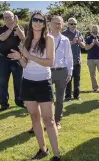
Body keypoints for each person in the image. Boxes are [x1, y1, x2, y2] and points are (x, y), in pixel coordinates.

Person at [7, 12, 61, 161]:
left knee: (49, 120)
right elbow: (25, 65)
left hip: (44, 83)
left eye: (40, 20)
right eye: (34, 20)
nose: (37, 23)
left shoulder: (48, 39)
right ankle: (43, 149)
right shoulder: (26, 41)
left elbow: (50, 62)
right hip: (28, 83)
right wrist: (20, 58)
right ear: (31, 22)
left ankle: (56, 154)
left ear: (44, 23)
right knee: (34, 117)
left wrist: (28, 56)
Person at [0, 11, 26, 110]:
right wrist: (12, 26)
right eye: (6, 17)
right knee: (2, 82)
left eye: (10, 17)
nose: (8, 19)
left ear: (14, 17)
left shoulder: (19, 27)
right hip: (4, 59)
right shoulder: (1, 29)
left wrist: (16, 26)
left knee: (19, 82)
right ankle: (4, 104)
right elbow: (2, 38)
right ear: (3, 19)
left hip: (17, 59)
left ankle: (20, 101)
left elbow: (23, 38)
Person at [48, 15, 73, 130]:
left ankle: (57, 120)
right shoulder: (45, 38)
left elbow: (69, 57)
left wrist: (70, 72)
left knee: (59, 99)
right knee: (47, 99)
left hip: (62, 71)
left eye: (59, 23)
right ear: (50, 24)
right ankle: (47, 120)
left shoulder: (65, 40)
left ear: (62, 25)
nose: (57, 25)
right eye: (55, 23)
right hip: (47, 71)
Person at [63, 17, 85, 102]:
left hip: (77, 60)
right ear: (68, 24)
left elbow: (84, 46)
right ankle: (68, 96)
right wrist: (72, 42)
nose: (73, 25)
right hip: (67, 61)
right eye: (71, 24)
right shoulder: (64, 33)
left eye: (75, 24)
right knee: (68, 79)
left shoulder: (78, 33)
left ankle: (76, 95)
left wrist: (79, 42)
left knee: (77, 79)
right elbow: (62, 46)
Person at [85, 25, 99, 93]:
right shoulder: (88, 38)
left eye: (96, 29)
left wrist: (97, 42)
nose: (95, 30)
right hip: (90, 59)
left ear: (98, 30)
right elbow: (86, 48)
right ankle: (95, 88)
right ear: (92, 30)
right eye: (94, 29)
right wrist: (92, 44)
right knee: (92, 75)